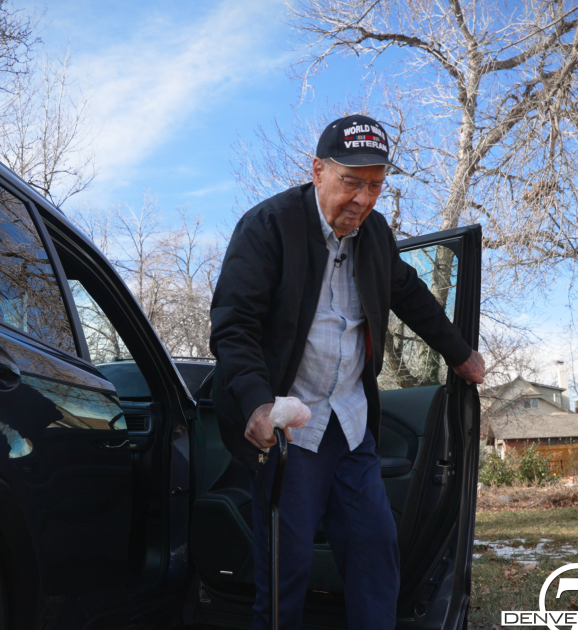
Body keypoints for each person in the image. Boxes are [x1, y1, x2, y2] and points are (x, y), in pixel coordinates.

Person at [208, 114, 486, 629]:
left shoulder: (374, 234)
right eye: (351, 182)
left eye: (375, 185)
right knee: (285, 573)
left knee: (375, 553)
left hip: (352, 427)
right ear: (318, 171)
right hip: (291, 431)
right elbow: (234, 327)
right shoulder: (268, 226)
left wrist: (459, 353)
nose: (362, 199)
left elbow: (409, 294)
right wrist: (256, 402)